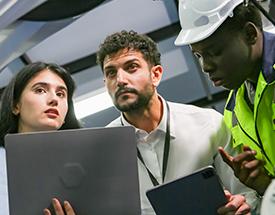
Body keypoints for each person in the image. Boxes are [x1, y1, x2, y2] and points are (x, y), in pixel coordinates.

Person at [96, 30, 259, 215]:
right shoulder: (101, 151)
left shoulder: (209, 124)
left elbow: (246, 194)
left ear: (155, 74)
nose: (120, 80)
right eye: (111, 73)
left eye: (131, 67)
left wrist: (240, 205)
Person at [174, 0, 275, 198]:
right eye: (199, 56)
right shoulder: (233, 110)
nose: (205, 67)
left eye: (215, 52)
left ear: (250, 34)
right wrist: (264, 186)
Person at [0, 62, 80, 215]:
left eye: (61, 94)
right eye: (40, 90)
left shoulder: (84, 165)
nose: (54, 99)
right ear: (15, 105)